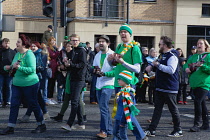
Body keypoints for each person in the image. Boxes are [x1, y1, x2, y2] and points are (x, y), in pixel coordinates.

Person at [0, 34, 46, 135]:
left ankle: (41, 125)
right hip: (17, 84)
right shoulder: (17, 54)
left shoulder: (29, 54)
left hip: (30, 84)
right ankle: (10, 127)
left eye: (18, 42)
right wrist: (8, 67)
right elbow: (13, 66)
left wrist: (19, 68)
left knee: (33, 104)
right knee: (14, 105)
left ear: (24, 44)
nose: (16, 43)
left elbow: (32, 70)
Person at [144, 36, 183, 137]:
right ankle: (152, 129)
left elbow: (171, 70)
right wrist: (151, 66)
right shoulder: (162, 55)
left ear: (165, 45)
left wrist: (157, 65)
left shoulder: (172, 56)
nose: (159, 46)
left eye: (160, 44)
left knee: (173, 109)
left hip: (170, 87)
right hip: (160, 87)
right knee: (157, 109)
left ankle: (178, 130)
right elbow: (155, 63)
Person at [18, 41, 50, 122]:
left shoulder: (42, 54)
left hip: (39, 78)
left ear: (38, 47)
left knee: (34, 97)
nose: (32, 48)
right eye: (31, 46)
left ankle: (28, 115)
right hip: (32, 77)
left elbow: (42, 67)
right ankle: (45, 113)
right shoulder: (29, 54)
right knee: (37, 97)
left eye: (34, 46)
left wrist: (31, 68)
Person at [61, 34, 87, 131]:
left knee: (75, 102)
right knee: (77, 102)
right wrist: (67, 65)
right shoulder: (73, 51)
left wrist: (71, 64)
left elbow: (83, 64)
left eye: (76, 40)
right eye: (73, 40)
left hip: (79, 79)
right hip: (73, 78)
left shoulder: (81, 51)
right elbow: (73, 64)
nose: (74, 42)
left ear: (79, 41)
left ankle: (69, 123)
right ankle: (81, 123)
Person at [112, 70, 147, 140]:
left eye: (120, 79)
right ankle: (141, 136)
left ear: (125, 81)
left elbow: (128, 109)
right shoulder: (122, 91)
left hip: (123, 118)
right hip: (118, 116)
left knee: (122, 135)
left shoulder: (127, 94)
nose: (118, 80)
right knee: (116, 133)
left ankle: (141, 136)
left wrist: (123, 121)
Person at [184, 39, 210, 132]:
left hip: (204, 83)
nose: (199, 45)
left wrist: (202, 66)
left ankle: (196, 124)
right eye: (198, 43)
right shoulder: (193, 56)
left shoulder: (208, 56)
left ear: (205, 46)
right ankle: (206, 124)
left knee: (197, 102)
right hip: (194, 84)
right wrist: (186, 68)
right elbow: (186, 64)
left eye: (201, 43)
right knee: (202, 103)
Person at [92, 35, 115, 139]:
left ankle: (104, 131)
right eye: (99, 41)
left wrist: (105, 74)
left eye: (103, 42)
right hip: (99, 84)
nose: (101, 43)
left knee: (103, 107)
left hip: (109, 84)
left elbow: (116, 71)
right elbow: (94, 67)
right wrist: (95, 71)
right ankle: (110, 130)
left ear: (108, 43)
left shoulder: (112, 55)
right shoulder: (97, 55)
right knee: (104, 107)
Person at [0, 38, 16, 106]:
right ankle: (0, 100)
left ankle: (8, 100)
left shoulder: (12, 52)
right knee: (0, 86)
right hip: (0, 72)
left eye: (8, 43)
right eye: (5, 43)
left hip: (9, 72)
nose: (7, 44)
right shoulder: (0, 52)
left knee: (9, 86)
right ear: (2, 43)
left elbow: (14, 61)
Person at [47, 37, 62, 104]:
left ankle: (51, 97)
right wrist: (58, 50)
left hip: (55, 68)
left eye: (54, 41)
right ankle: (48, 98)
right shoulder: (49, 48)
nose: (53, 42)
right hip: (51, 68)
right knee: (50, 83)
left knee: (53, 83)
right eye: (52, 41)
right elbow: (53, 55)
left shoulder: (55, 48)